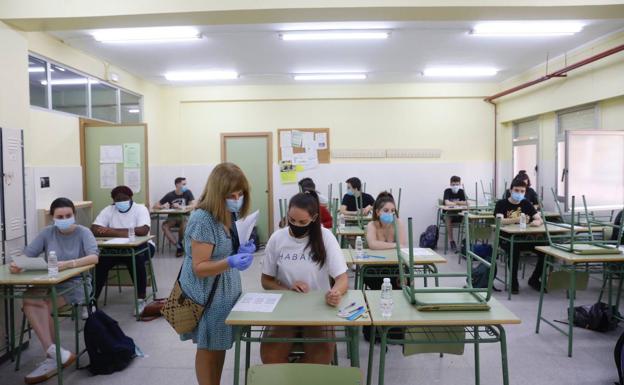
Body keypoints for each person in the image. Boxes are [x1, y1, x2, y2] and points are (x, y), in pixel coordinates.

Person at [178, 163, 256, 385]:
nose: (237, 198)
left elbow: (222, 249)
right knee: (208, 346)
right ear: (217, 193)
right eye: (231, 194)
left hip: (224, 290)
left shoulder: (228, 214)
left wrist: (240, 252)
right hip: (207, 292)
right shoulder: (203, 219)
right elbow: (200, 267)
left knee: (219, 344)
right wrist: (230, 261)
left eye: (240, 194)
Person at [10, 198, 99, 384]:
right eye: (60, 216)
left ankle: (52, 356)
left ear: (74, 215)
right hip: (51, 282)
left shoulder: (84, 232)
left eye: (68, 215)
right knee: (28, 298)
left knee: (42, 304)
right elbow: (29, 254)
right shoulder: (47, 233)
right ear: (53, 217)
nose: (65, 219)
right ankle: (54, 351)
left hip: (77, 283)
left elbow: (93, 258)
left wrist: (69, 264)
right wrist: (18, 264)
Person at [260, 191, 348, 364]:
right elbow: (266, 281)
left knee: (321, 355)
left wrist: (335, 293)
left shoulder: (325, 237)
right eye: (291, 220)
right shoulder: (277, 238)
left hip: (318, 307)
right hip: (285, 306)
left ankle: (300, 375)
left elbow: (342, 278)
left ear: (314, 218)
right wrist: (288, 289)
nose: (295, 225)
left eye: (302, 222)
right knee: (270, 355)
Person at [91, 185, 155, 315]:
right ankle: (92, 302)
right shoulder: (109, 210)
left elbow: (143, 231)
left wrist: (111, 231)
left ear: (131, 198)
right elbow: (94, 229)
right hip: (117, 248)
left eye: (124, 199)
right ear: (113, 200)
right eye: (117, 200)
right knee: (101, 262)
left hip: (144, 246)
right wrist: (127, 232)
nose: (121, 202)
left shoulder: (140, 209)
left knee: (136, 259)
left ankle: (140, 299)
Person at [494, 179, 544, 294]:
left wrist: (538, 222)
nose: (519, 193)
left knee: (545, 251)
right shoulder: (501, 203)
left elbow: (538, 218)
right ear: (510, 190)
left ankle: (534, 279)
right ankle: (513, 281)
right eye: (516, 190)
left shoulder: (526, 203)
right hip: (506, 239)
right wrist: (517, 219)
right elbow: (500, 221)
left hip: (524, 238)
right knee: (514, 250)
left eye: (522, 191)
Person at [154, 177, 196, 257]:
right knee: (164, 226)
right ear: (177, 184)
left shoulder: (188, 193)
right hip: (172, 218)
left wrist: (183, 207)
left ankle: (180, 243)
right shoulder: (170, 195)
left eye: (185, 184)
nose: (185, 186)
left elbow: (193, 205)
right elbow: (156, 205)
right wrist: (162, 206)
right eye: (183, 184)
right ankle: (178, 246)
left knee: (184, 225)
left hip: (184, 217)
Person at [442, 175, 467, 251]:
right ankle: (451, 241)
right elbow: (446, 203)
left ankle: (467, 241)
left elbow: (466, 202)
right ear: (450, 184)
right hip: (448, 214)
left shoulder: (461, 191)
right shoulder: (447, 191)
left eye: (457, 184)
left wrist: (454, 202)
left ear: (459, 184)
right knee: (448, 217)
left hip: (459, 214)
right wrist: (459, 203)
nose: (455, 186)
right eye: (453, 185)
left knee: (469, 217)